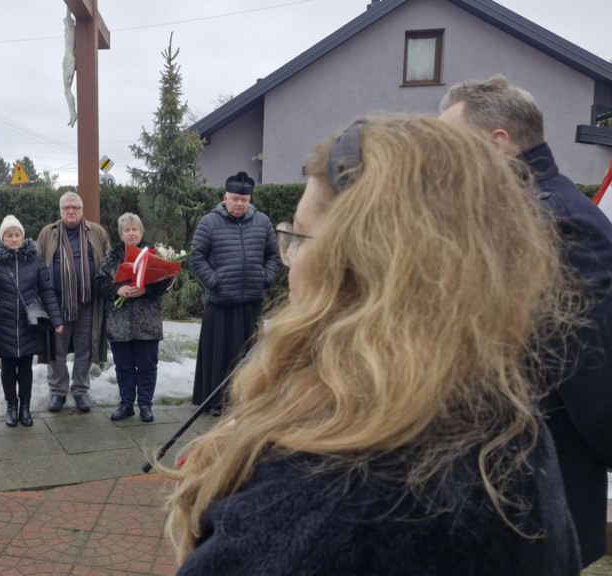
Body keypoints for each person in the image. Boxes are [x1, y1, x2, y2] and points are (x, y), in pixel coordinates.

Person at [163, 117, 582, 575]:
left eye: (297, 239)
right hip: (224, 300)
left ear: (360, 268)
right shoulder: (516, 424)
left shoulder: (314, 496)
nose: (289, 265)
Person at [440, 76, 612, 566]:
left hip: (536, 495)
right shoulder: (509, 216)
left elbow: (595, 380)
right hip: (496, 490)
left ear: (498, 143)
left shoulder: (561, 224)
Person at [189, 172, 281, 416]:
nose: (240, 204)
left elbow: (273, 256)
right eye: (235, 199)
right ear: (225, 197)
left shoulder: (262, 222)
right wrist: (213, 281)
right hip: (220, 302)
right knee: (218, 356)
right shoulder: (209, 222)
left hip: (251, 302)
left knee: (248, 356)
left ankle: (245, 400)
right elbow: (196, 256)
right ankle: (216, 402)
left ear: (250, 200)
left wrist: (265, 278)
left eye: (245, 199)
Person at [0, 215, 64, 427]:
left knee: (26, 368)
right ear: (3, 238)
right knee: (8, 368)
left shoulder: (35, 261)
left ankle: (25, 408)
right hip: (3, 323)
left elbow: (46, 291)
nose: (14, 238)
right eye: (9, 235)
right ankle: (11, 406)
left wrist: (56, 320)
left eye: (17, 234)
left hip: (29, 324)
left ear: (23, 236)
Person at [36, 191, 111, 413]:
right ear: (60, 211)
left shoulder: (97, 232)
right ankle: (58, 391)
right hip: (56, 305)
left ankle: (80, 389)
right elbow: (39, 266)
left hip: (88, 302)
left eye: (75, 208)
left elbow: (108, 264)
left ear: (81, 210)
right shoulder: (47, 233)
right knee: (56, 349)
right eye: (66, 208)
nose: (71, 211)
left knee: (84, 348)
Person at [95, 213, 171, 423]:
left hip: (147, 321)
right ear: (120, 234)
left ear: (141, 231)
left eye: (134, 229)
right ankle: (126, 404)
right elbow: (100, 281)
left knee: (147, 366)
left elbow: (165, 282)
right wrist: (117, 290)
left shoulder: (154, 254)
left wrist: (146, 289)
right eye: (126, 230)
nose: (131, 233)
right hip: (120, 322)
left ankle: (145, 405)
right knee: (124, 367)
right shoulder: (112, 256)